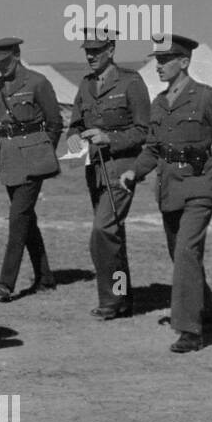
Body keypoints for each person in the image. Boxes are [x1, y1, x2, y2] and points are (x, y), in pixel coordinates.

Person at [120, 34, 212, 353]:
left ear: (184, 62)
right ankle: (206, 310)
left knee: (186, 253)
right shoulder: (158, 103)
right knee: (181, 254)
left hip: (201, 186)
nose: (158, 66)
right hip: (169, 189)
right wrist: (135, 171)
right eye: (157, 60)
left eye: (165, 61)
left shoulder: (206, 98)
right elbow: (153, 148)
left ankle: (189, 329)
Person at [68, 28, 151, 319]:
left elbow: (145, 131)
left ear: (111, 50)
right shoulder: (85, 85)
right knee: (114, 235)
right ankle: (123, 299)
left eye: (97, 51)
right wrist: (74, 140)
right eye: (87, 51)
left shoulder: (131, 82)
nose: (90, 56)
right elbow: (76, 124)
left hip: (122, 169)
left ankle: (110, 302)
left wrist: (109, 139)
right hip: (96, 170)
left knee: (103, 232)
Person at [0, 37, 62, 301]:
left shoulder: (37, 82)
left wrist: (42, 151)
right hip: (10, 158)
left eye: (5, 61)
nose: (1, 67)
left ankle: (6, 283)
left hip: (34, 158)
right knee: (26, 220)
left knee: (17, 218)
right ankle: (45, 277)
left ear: (17, 55)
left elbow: (55, 122)